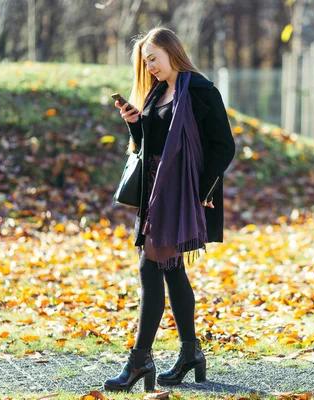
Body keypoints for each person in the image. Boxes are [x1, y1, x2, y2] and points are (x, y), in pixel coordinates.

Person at [103, 27, 236, 393]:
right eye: (145, 62)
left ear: (171, 53)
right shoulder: (157, 93)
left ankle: (140, 360)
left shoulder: (202, 92)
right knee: (172, 272)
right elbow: (149, 145)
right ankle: (190, 353)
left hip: (181, 195)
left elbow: (224, 147)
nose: (150, 67)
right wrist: (135, 125)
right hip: (155, 194)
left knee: (150, 270)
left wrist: (202, 190)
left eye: (153, 59)